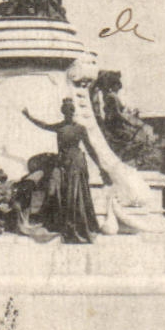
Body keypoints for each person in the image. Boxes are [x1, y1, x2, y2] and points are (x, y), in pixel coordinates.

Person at [22, 99, 103, 244]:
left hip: (76, 164)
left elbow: (90, 148)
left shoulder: (80, 129)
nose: (69, 113)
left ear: (73, 112)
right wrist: (29, 117)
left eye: (71, 111)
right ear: (63, 112)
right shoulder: (60, 127)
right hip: (62, 163)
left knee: (75, 194)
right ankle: (62, 224)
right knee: (59, 192)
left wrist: (101, 167)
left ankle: (77, 226)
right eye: (66, 111)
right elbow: (44, 125)